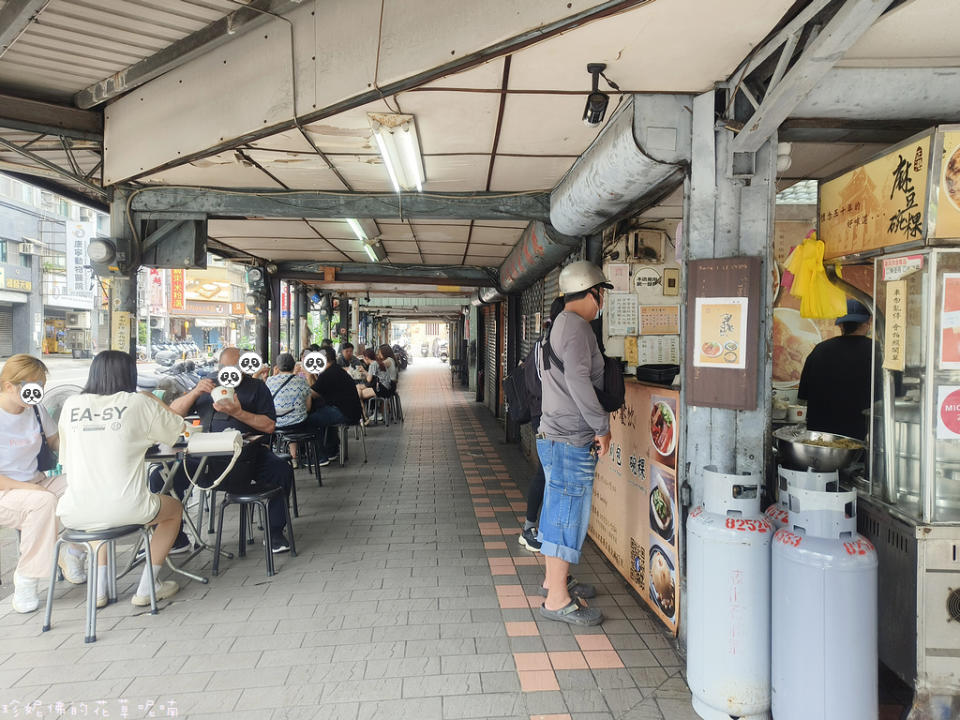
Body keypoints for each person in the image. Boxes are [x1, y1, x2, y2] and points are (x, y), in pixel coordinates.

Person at [57, 351, 185, 607]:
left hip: (74, 510)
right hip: (129, 508)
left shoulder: (72, 404)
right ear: (130, 374)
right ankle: (148, 587)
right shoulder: (137, 402)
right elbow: (177, 428)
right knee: (174, 511)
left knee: (97, 516)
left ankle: (99, 590)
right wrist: (151, 399)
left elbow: (65, 456)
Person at [537, 261, 613, 626]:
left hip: (555, 435)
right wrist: (602, 426)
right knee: (566, 518)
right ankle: (557, 600)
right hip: (571, 439)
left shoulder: (559, 325)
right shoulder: (578, 328)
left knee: (557, 513)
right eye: (602, 293)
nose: (603, 301)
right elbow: (580, 382)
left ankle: (555, 581)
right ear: (591, 291)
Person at [164, 347, 295, 553]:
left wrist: (239, 413)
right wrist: (195, 392)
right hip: (204, 461)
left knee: (281, 469)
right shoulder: (206, 386)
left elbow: (269, 425)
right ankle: (174, 539)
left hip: (248, 458)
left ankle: (275, 532)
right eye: (225, 368)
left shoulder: (256, 388)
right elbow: (171, 414)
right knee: (162, 476)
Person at [0, 355, 86, 613]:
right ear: (8, 386)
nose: (37, 392)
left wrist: (81, 442)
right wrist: (31, 488)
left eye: (41, 385)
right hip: (7, 490)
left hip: (36, 483)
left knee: (82, 486)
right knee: (42, 502)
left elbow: (55, 441)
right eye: (31, 386)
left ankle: (72, 550)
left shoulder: (35, 410)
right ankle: (26, 580)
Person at [519, 296, 567, 553]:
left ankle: (532, 528)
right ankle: (530, 529)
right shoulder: (549, 345)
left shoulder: (541, 344)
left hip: (544, 417)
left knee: (547, 472)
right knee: (546, 473)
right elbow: (542, 386)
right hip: (547, 418)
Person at [798, 298, 874, 440]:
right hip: (864, 440)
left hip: (823, 442)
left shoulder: (820, 350)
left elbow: (803, 397)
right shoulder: (879, 352)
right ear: (868, 321)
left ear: (841, 325)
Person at [307, 346, 364, 459]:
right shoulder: (336, 369)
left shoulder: (328, 374)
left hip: (345, 413)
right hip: (353, 412)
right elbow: (318, 390)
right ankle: (331, 450)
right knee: (322, 413)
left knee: (310, 419)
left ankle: (321, 456)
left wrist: (308, 375)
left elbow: (312, 393)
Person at [265, 353, 314, 467]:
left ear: (277, 366)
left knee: (285, 422)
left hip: (276, 424)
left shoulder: (270, 381)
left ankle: (276, 456)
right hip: (298, 424)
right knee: (295, 421)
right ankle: (293, 457)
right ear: (294, 365)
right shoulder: (302, 381)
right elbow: (308, 407)